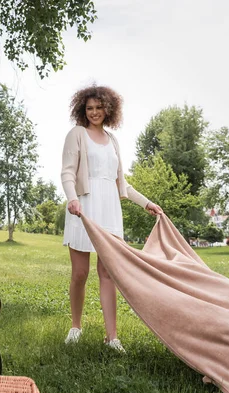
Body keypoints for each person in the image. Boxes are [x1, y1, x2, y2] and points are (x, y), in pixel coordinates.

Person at [61, 85, 164, 352]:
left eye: (99, 107)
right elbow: (67, 172)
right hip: (82, 205)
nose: (94, 112)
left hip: (109, 209)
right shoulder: (77, 134)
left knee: (108, 273)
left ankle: (112, 337)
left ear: (109, 109)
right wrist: (72, 197)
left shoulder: (113, 141)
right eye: (89, 108)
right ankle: (75, 326)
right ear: (83, 110)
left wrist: (147, 203)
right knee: (80, 273)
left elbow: (123, 185)